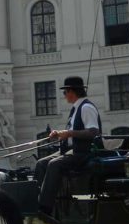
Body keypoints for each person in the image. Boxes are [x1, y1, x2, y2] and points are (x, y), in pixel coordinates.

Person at [34, 76, 101, 215]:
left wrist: (69, 133)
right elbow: (72, 133)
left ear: (71, 91)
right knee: (41, 164)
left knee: (54, 164)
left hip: (83, 152)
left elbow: (93, 132)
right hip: (70, 150)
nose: (64, 96)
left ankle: (45, 208)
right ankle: (45, 200)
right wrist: (60, 134)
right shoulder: (76, 109)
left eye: (65, 92)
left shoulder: (86, 107)